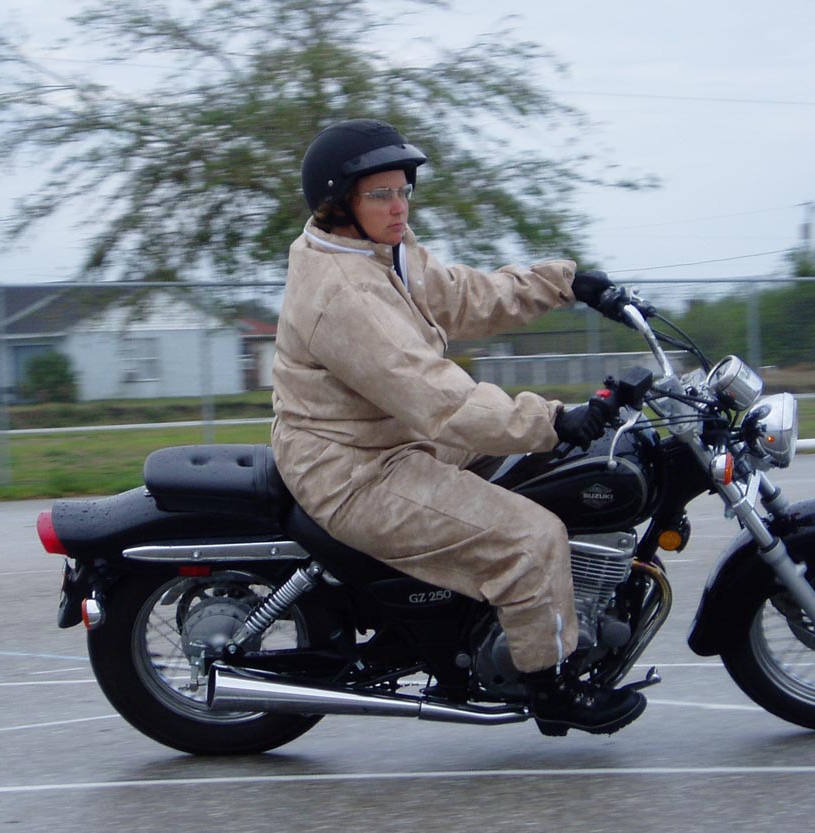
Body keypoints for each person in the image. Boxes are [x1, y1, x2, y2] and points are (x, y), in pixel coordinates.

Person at [271, 118, 645, 736]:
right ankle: (552, 687)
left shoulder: (381, 251)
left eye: (403, 190)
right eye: (381, 194)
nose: (399, 206)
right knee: (529, 539)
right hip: (354, 468)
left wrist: (563, 284)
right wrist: (555, 420)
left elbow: (465, 297)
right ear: (339, 204)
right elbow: (439, 400)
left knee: (547, 474)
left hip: (395, 438)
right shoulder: (342, 293)